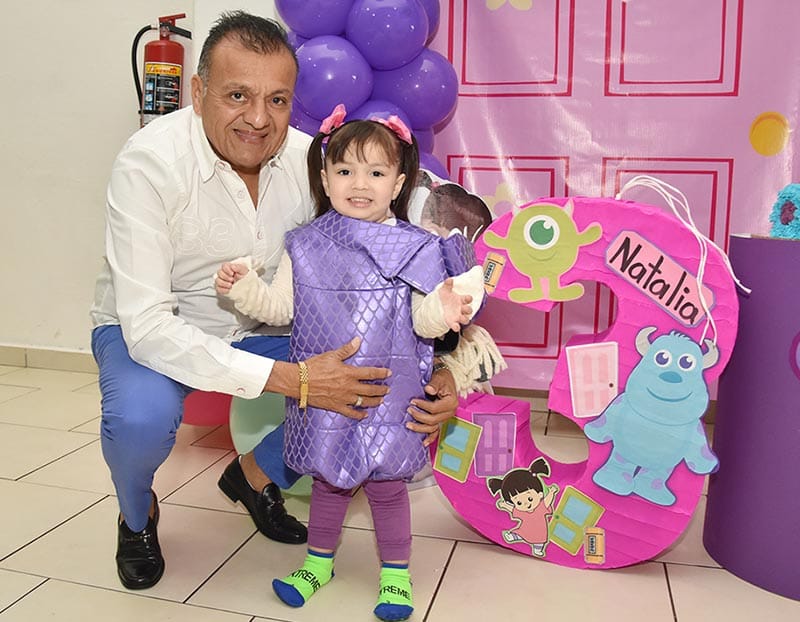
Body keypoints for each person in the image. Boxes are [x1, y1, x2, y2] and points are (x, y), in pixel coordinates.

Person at [89, 11, 459, 591]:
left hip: (271, 320)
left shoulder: (316, 162)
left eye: (278, 100)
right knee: (140, 418)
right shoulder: (149, 164)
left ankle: (254, 474)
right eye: (237, 95)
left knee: (370, 376)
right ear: (198, 92)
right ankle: (136, 517)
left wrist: (441, 368)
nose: (259, 119)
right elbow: (149, 325)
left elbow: (420, 240)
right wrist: (298, 380)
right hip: (154, 328)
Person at [214, 104, 486, 622]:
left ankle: (396, 574)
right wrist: (245, 289)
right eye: (345, 170)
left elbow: (423, 321)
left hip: (390, 388)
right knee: (329, 481)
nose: (359, 184)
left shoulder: (414, 248)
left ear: (398, 183)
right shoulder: (306, 244)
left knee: (386, 487)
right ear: (325, 178)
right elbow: (282, 308)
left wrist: (445, 308)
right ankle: (318, 564)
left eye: (376, 173)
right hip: (325, 386)